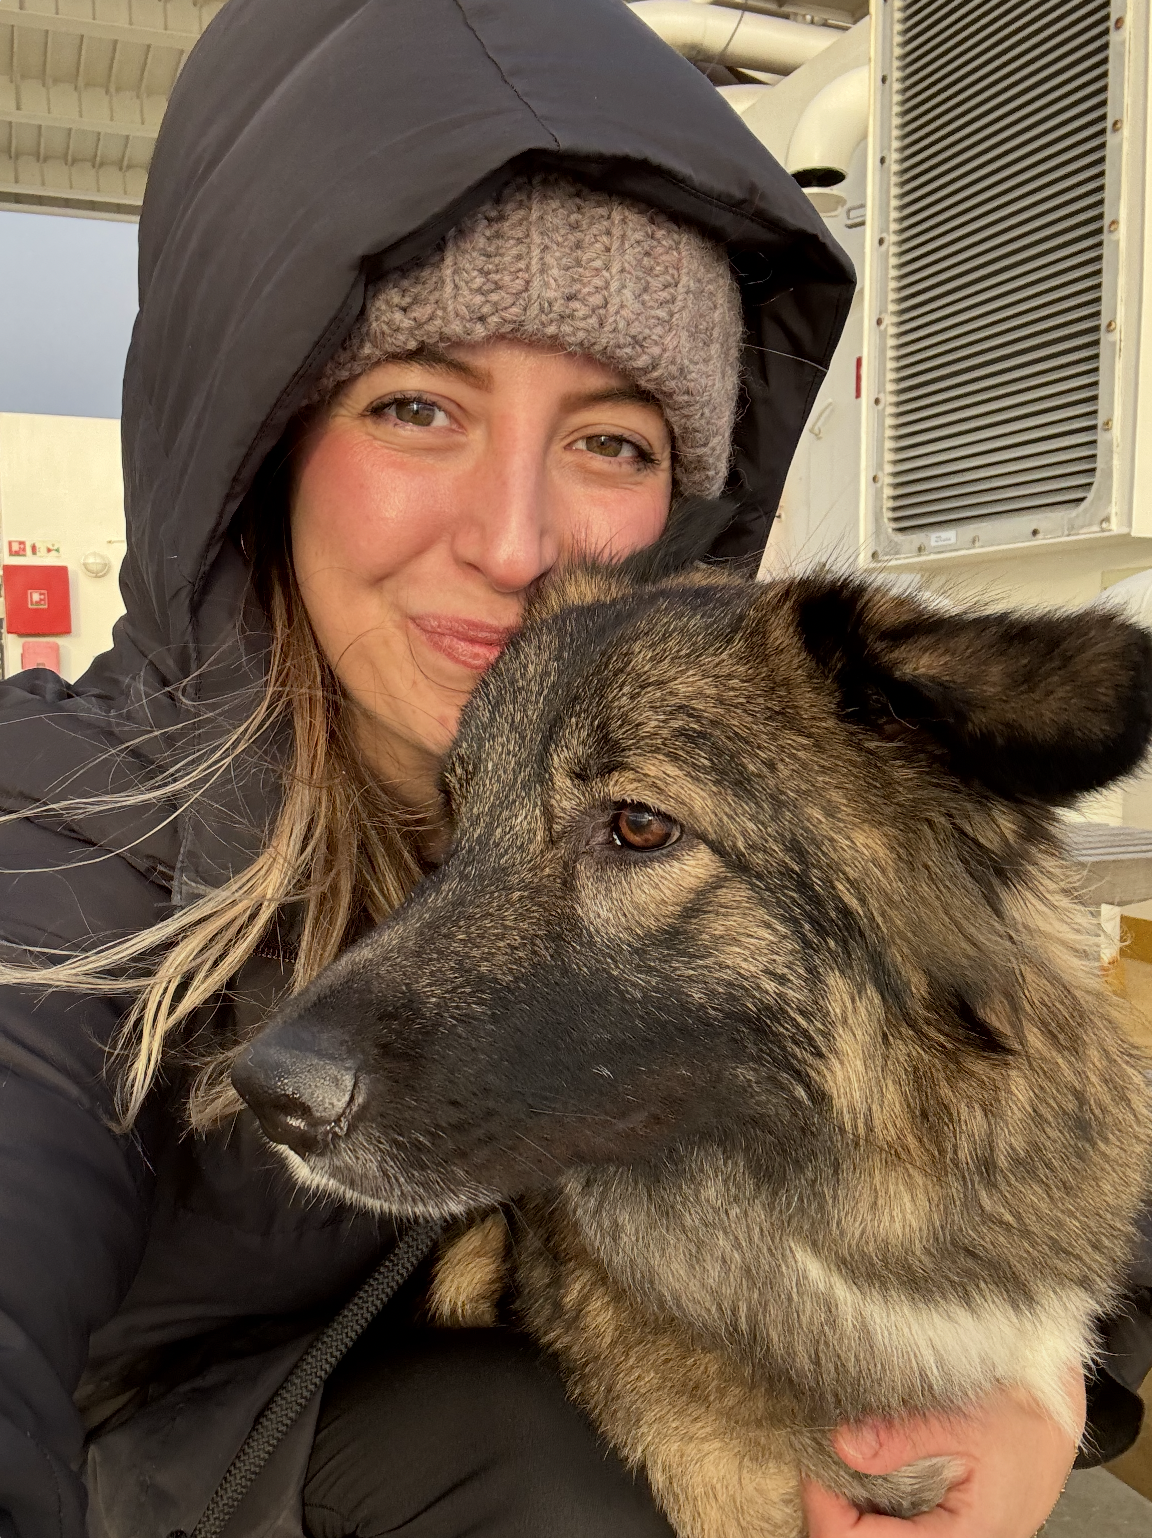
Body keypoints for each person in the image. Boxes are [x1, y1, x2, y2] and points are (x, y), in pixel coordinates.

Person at [0, 2, 1144, 1536]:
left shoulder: (681, 731)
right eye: (418, 407)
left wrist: (1056, 1369)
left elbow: (1015, 1057)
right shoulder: (55, 828)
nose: (516, 540)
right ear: (263, 441)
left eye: (611, 440)